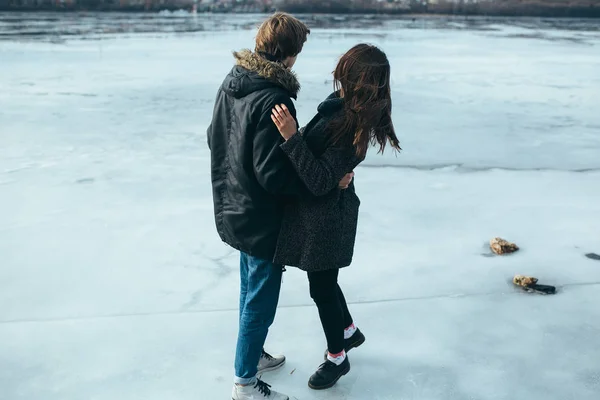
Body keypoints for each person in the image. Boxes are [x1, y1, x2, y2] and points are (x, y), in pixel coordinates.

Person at [206, 13, 353, 400]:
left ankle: (251, 359)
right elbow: (273, 175)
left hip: (231, 205)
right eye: (298, 51)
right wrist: (320, 186)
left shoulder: (233, 80)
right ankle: (245, 384)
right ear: (288, 53)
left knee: (247, 289)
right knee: (260, 300)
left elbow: (214, 137)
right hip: (260, 217)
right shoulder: (274, 97)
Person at [270, 43, 400, 390]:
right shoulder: (343, 110)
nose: (336, 72)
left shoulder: (349, 123)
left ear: (356, 78)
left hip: (327, 220)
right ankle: (348, 331)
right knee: (325, 282)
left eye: (344, 67)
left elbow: (319, 181)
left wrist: (290, 137)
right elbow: (328, 176)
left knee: (322, 288)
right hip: (323, 215)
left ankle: (337, 357)